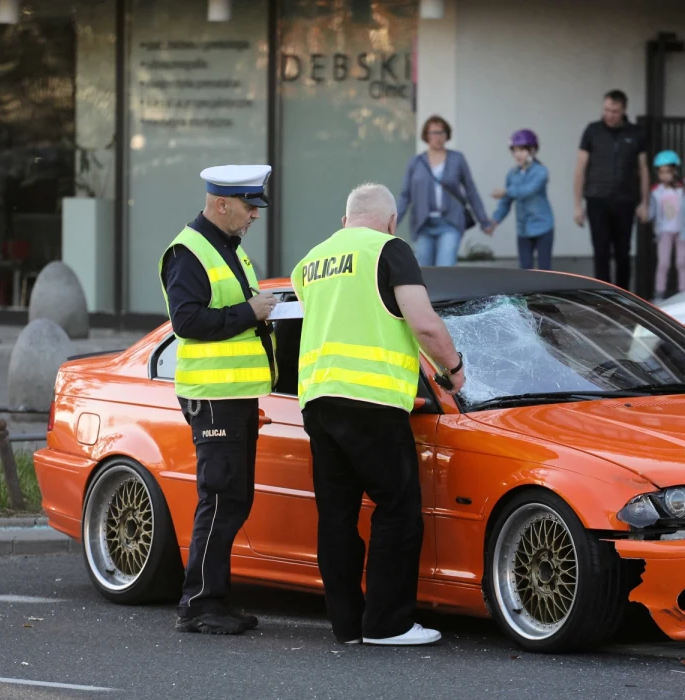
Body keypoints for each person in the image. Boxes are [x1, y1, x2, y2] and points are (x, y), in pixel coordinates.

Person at [292, 183, 465, 646]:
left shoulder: (309, 262)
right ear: (391, 222)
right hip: (371, 402)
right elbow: (423, 322)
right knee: (398, 510)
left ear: (344, 220)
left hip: (318, 401)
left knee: (337, 517)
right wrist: (454, 370)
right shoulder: (390, 249)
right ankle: (388, 625)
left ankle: (347, 626)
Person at [159, 164, 278, 635]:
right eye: (249, 207)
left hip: (234, 396)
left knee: (232, 498)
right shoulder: (189, 251)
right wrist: (250, 312)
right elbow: (187, 321)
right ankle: (199, 605)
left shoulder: (227, 249)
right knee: (220, 497)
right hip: (213, 398)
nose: (254, 216)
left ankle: (213, 598)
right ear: (221, 203)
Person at [574, 89, 650, 290]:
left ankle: (623, 297)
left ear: (623, 110)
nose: (609, 114)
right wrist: (577, 206)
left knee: (623, 253)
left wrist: (644, 203)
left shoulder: (636, 133)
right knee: (601, 252)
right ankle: (603, 298)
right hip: (596, 199)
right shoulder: (592, 130)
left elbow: (643, 169)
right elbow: (580, 167)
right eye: (606, 110)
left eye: (614, 111)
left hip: (625, 200)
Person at [396, 115, 493, 266]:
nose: (438, 137)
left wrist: (484, 221)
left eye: (442, 132)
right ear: (426, 135)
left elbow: (471, 191)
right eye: (433, 133)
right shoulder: (415, 162)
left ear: (447, 135)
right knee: (423, 271)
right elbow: (405, 196)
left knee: (445, 266)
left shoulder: (457, 159)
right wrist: (392, 223)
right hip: (423, 224)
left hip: (450, 222)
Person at [491, 129, 555, 270]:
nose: (518, 154)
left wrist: (506, 191)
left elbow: (527, 190)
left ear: (532, 150)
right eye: (515, 150)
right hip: (523, 229)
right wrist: (494, 221)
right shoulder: (512, 174)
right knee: (525, 270)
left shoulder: (541, 171)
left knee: (545, 270)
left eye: (522, 150)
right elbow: (506, 202)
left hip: (543, 226)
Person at [648, 150, 685, 301]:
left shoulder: (684, 186)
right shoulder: (656, 191)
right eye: (661, 172)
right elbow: (651, 212)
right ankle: (659, 293)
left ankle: (684, 294)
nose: (665, 176)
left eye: (668, 172)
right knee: (663, 263)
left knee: (682, 262)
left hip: (682, 232)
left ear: (675, 171)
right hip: (664, 232)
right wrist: (644, 214)